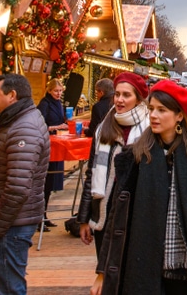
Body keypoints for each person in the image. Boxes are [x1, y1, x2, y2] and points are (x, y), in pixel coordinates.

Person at [91, 80, 187, 295]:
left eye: (162, 110)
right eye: (151, 109)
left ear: (179, 116)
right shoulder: (134, 156)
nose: (153, 115)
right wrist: (103, 271)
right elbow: (118, 218)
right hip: (143, 264)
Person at [0, 73, 50, 295]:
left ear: (12, 95)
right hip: (13, 223)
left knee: (9, 289)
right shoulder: (21, 122)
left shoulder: (23, 128)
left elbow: (18, 188)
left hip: (11, 225)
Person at [77, 72, 150, 253]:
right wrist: (84, 217)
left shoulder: (150, 128)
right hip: (106, 208)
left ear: (139, 99)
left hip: (137, 208)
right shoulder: (104, 128)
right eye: (117, 94)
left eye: (126, 95)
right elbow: (92, 172)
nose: (120, 100)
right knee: (106, 264)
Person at [38, 77, 71, 230]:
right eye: (55, 91)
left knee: (51, 184)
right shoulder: (44, 104)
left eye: (60, 91)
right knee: (45, 182)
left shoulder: (58, 103)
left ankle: (44, 216)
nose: (58, 94)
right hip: (47, 145)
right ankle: (40, 217)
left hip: (57, 145)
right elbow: (41, 124)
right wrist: (56, 126)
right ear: (49, 91)